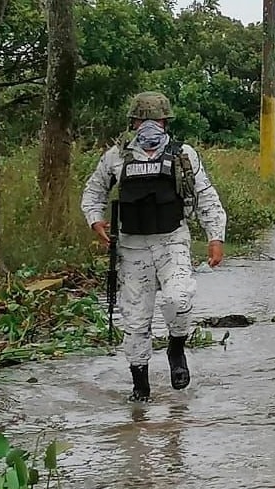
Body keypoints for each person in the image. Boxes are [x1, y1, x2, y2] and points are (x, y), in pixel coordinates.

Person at [81, 91, 228, 403]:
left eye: (155, 120)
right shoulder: (116, 156)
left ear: (165, 122)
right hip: (132, 248)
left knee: (179, 297)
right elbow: (93, 191)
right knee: (134, 322)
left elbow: (206, 197)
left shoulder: (183, 155)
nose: (149, 126)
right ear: (134, 123)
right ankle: (141, 389)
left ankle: (176, 346)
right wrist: (96, 221)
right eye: (143, 120)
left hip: (171, 240)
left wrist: (215, 237)